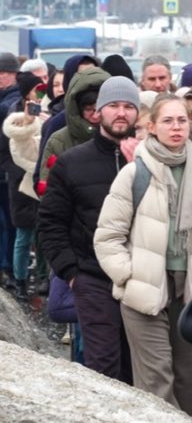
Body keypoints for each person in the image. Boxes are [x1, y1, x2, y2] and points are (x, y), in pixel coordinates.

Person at [93, 94, 192, 419]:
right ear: (151, 127)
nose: (176, 127)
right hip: (144, 291)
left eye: (182, 120)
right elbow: (108, 236)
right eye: (167, 121)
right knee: (156, 382)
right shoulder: (134, 174)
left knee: (189, 383)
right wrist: (128, 275)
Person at [37, 76, 142, 385]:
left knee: (139, 368)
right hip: (93, 277)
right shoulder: (72, 162)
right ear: (98, 112)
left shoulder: (153, 158)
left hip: (144, 278)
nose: (121, 113)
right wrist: (71, 271)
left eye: (128, 106)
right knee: (104, 366)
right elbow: (51, 220)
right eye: (113, 106)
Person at [2, 72, 50, 299]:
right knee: (23, 234)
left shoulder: (48, 110)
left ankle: (42, 278)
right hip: (20, 180)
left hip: (42, 178)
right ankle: (19, 280)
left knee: (42, 233)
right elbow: (10, 147)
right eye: (37, 89)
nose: (41, 93)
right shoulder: (15, 114)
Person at [35, 66, 109, 197]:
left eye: (100, 109)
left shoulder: (124, 137)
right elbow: (48, 191)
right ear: (77, 109)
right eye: (88, 109)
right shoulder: (59, 140)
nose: (96, 116)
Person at [0, 52, 22, 288]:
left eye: (3, 73)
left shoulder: (12, 100)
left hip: (9, 172)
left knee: (9, 222)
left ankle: (8, 268)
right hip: (4, 170)